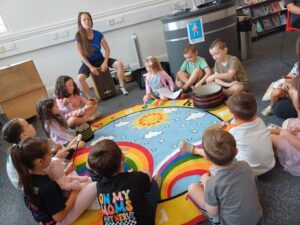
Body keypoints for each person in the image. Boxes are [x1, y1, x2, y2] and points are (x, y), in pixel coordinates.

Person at [181, 92, 275, 176]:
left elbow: (212, 134)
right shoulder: (260, 120)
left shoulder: (233, 131)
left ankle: (196, 151)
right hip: (269, 164)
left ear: (233, 115)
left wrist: (221, 128)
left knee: (217, 149)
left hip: (250, 171)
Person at [9, 137, 97, 224]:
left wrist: (66, 172)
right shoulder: (47, 187)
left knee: (67, 174)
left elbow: (57, 179)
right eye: (49, 154)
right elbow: (59, 217)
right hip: (59, 220)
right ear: (39, 162)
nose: (52, 155)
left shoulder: (28, 176)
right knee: (94, 186)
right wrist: (75, 192)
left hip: (46, 213)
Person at [188, 127, 262, 225]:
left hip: (229, 223)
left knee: (193, 188)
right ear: (236, 152)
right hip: (256, 216)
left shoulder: (212, 183)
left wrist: (206, 182)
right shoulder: (245, 164)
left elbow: (212, 211)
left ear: (206, 157)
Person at [87, 139, 160, 225]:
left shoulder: (99, 185)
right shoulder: (135, 178)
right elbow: (147, 175)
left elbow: (89, 167)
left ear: (96, 172)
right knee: (153, 183)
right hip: (143, 221)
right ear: (123, 157)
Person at [2, 118, 72, 189]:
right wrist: (57, 157)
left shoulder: (22, 147)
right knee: (64, 169)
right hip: (33, 186)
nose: (31, 125)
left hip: (32, 176)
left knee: (61, 159)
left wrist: (54, 151)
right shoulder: (23, 154)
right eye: (28, 125)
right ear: (24, 135)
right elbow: (38, 169)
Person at [75, 11, 128, 98]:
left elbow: (107, 49)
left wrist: (105, 62)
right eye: (84, 20)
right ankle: (90, 98)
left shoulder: (98, 34)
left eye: (88, 19)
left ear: (91, 21)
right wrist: (91, 67)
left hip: (100, 59)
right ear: (80, 22)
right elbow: (80, 55)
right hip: (88, 62)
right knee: (80, 79)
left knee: (119, 64)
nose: (87, 21)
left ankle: (122, 86)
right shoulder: (78, 36)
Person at [262, 35, 300, 117]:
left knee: (281, 106)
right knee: (276, 93)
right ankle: (271, 106)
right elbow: (289, 77)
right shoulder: (297, 65)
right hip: (291, 90)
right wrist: (286, 80)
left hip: (296, 93)